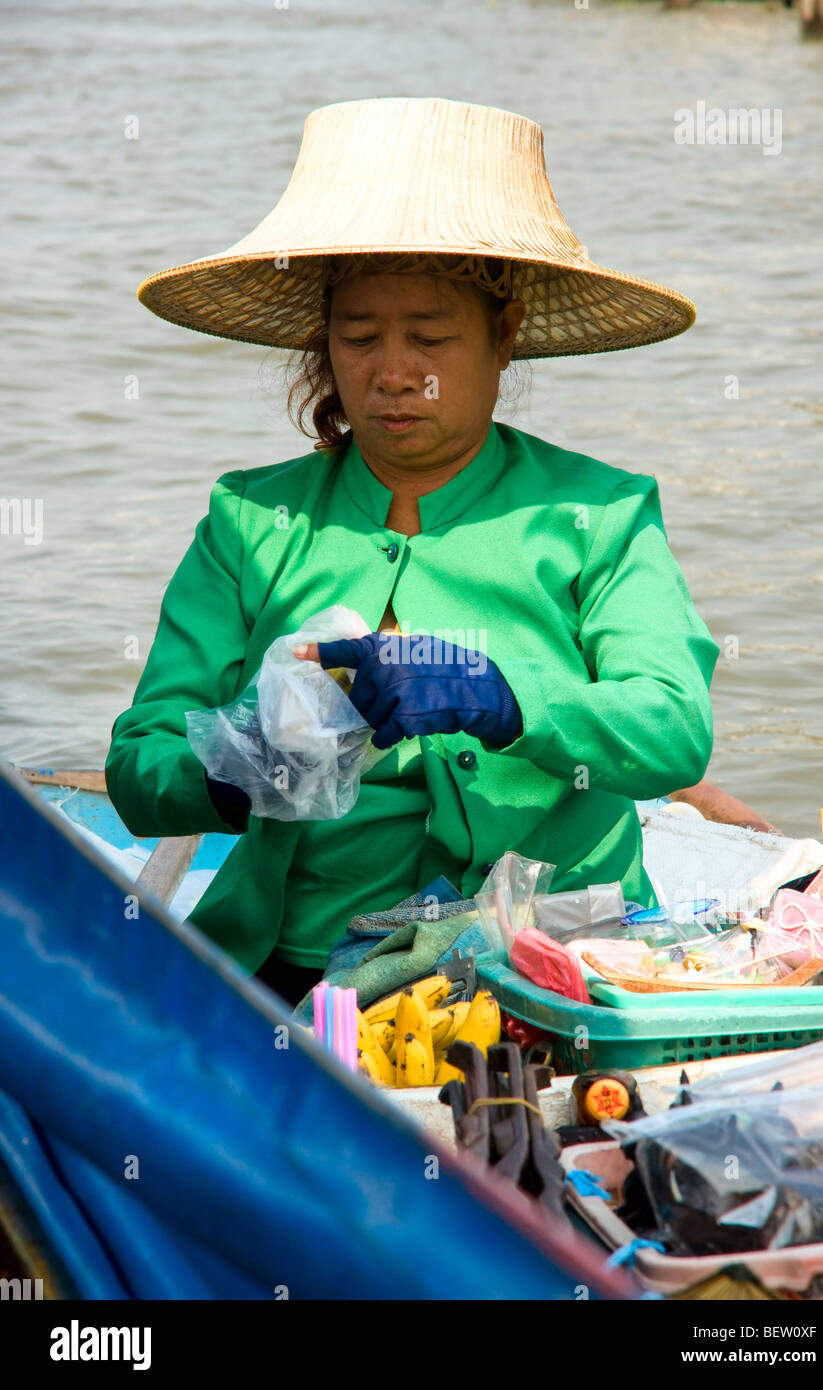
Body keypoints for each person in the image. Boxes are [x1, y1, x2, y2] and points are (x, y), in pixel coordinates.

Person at [106, 97, 719, 1006]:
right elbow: (137, 764)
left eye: (429, 338)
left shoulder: (601, 512)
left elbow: (672, 727)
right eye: (358, 338)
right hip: (299, 960)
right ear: (325, 341)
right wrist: (244, 769)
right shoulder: (248, 519)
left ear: (504, 334)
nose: (392, 373)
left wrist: (508, 700)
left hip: (549, 959)